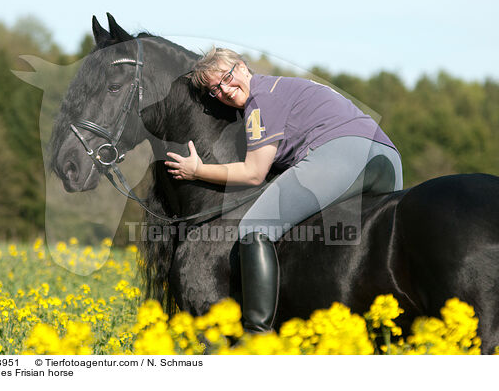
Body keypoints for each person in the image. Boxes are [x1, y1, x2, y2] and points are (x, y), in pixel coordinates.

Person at [164, 47, 403, 333]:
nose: (225, 90)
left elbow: (253, 174)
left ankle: (257, 331)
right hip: (387, 157)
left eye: (227, 78)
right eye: (215, 90)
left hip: (345, 155)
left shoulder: (259, 101)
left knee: (255, 227)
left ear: (241, 67)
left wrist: (196, 170)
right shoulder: (285, 86)